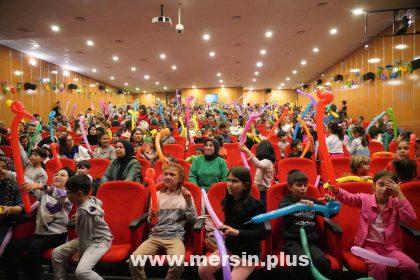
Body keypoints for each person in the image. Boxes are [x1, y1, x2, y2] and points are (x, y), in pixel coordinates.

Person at [328, 171, 419, 280]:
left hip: (390, 248)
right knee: (378, 266)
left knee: (411, 266)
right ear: (374, 186)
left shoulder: (396, 203)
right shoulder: (365, 199)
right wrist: (337, 191)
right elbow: (350, 198)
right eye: (381, 185)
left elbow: (410, 217)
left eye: (389, 186)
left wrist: (400, 194)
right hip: (368, 246)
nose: (384, 189)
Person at [4, 167, 75, 280]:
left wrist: (39, 185)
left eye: (62, 175)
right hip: (40, 234)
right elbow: (26, 181)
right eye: (56, 174)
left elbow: (58, 193)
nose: (57, 176)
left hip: (57, 235)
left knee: (34, 247)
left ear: (69, 181)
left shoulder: (69, 196)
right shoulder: (44, 193)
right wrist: (5, 172)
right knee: (12, 247)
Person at [129, 163, 196, 280]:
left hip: (175, 237)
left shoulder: (185, 195)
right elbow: (151, 222)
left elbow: (193, 220)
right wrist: (151, 217)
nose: (167, 177)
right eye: (166, 174)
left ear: (180, 178)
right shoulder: (157, 194)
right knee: (134, 260)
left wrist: (189, 201)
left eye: (172, 174)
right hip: (155, 236)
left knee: (177, 263)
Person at [198, 166, 266, 279]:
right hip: (229, 248)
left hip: (248, 254)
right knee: (203, 270)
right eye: (228, 180)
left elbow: (261, 233)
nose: (229, 184)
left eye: (234, 181)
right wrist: (224, 230)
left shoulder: (255, 205)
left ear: (245, 185)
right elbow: (232, 222)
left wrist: (236, 232)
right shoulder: (228, 200)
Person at [51, 174, 113, 280]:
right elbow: (98, 203)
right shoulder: (88, 200)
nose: (66, 195)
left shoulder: (84, 211)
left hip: (100, 240)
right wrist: (79, 217)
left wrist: (80, 251)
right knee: (57, 253)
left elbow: (86, 237)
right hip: (87, 237)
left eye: (69, 192)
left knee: (81, 272)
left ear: (79, 194)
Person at [279, 170, 334, 279]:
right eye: (299, 185)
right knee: (301, 261)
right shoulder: (286, 200)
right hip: (293, 242)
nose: (303, 188)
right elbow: (282, 208)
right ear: (290, 187)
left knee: (321, 260)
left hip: (311, 242)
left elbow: (329, 214)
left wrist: (331, 204)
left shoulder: (311, 201)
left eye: (305, 185)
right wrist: (299, 204)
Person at [239, 140, 276, 205]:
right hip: (259, 189)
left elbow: (258, 164)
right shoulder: (265, 161)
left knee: (261, 206)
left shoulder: (267, 161)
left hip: (264, 191)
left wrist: (248, 151)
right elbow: (257, 164)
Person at [0, 156, 24, 253]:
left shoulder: (16, 186)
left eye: (4, 168)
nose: (1, 171)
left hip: (7, 223)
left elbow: (21, 207)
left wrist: (9, 209)